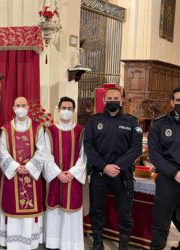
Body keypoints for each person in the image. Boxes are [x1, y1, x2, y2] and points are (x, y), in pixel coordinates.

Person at [84, 87, 143, 250]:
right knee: (97, 210)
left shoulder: (132, 122)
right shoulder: (94, 121)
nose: (112, 101)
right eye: (109, 98)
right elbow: (88, 146)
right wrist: (104, 166)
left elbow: (136, 148)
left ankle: (123, 245)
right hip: (99, 174)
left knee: (124, 213)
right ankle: (97, 243)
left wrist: (117, 166)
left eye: (116, 98)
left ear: (121, 100)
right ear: (104, 100)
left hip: (122, 174)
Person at [0, 96, 46, 250]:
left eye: (23, 105)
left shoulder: (38, 128)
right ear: (13, 108)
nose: (21, 108)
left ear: (28, 107)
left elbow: (42, 151)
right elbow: (2, 152)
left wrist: (29, 167)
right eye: (18, 105)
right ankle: (11, 240)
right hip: (13, 175)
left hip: (31, 174)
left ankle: (30, 240)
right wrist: (16, 166)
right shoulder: (6, 128)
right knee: (11, 204)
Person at [43, 96, 87, 250]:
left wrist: (72, 173)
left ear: (73, 111)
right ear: (58, 109)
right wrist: (58, 173)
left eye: (69, 109)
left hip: (73, 179)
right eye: (64, 108)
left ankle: (71, 245)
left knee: (71, 212)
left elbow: (84, 156)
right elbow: (46, 155)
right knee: (55, 210)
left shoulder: (81, 131)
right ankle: (53, 243)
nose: (66, 111)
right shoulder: (50, 131)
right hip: (56, 177)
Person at [149, 87, 180, 250]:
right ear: (172, 102)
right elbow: (154, 154)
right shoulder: (160, 124)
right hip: (168, 179)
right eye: (178, 101)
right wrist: (174, 173)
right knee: (161, 221)